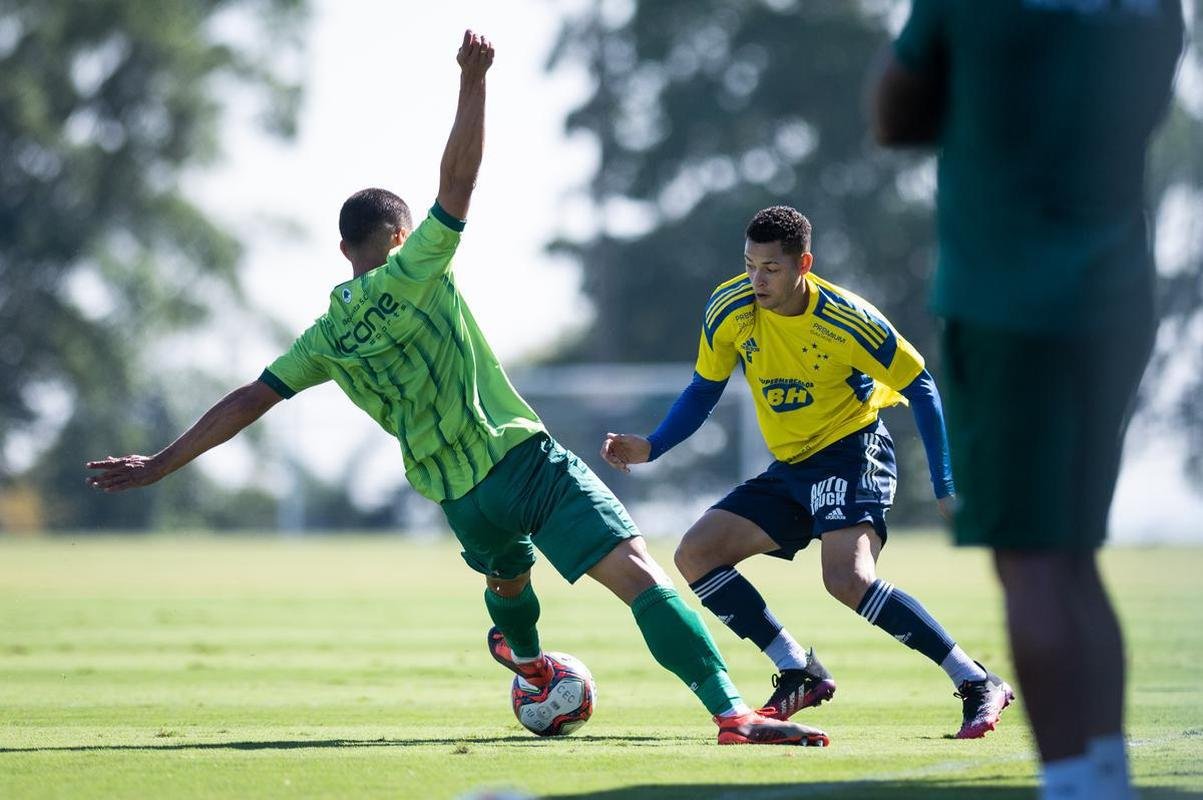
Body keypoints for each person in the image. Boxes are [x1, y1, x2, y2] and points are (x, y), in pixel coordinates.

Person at [84, 30, 828, 748]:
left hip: (457, 498)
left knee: (507, 576)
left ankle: (529, 659)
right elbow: (458, 185)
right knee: (639, 577)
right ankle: (732, 715)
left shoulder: (323, 339)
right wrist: (473, 82)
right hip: (521, 464)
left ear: (344, 249)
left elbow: (249, 398)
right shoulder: (418, 270)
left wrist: (158, 464)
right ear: (402, 239)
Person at [872, 1, 1183, 798]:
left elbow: (893, 113)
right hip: (1116, 294)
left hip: (1003, 300)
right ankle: (1104, 779)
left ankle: (1077, 786)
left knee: (1033, 563)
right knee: (1074, 558)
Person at [601, 205, 1012, 738]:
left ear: (804, 265)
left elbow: (922, 387)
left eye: (770, 268)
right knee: (696, 553)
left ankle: (977, 680)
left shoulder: (847, 319)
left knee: (846, 579)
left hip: (851, 449)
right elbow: (705, 388)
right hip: (793, 466)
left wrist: (946, 487)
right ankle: (799, 669)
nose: (756, 279)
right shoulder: (729, 308)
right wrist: (652, 446)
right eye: (749, 264)